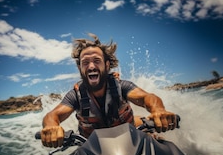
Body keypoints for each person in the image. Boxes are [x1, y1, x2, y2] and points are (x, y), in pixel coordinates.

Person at [40, 33, 178, 148]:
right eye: (85, 62)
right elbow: (53, 115)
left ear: (107, 65)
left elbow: (147, 98)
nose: (91, 66)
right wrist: (51, 126)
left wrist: (158, 110)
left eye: (97, 60)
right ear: (80, 68)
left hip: (130, 141)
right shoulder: (75, 96)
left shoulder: (122, 86)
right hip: (93, 149)